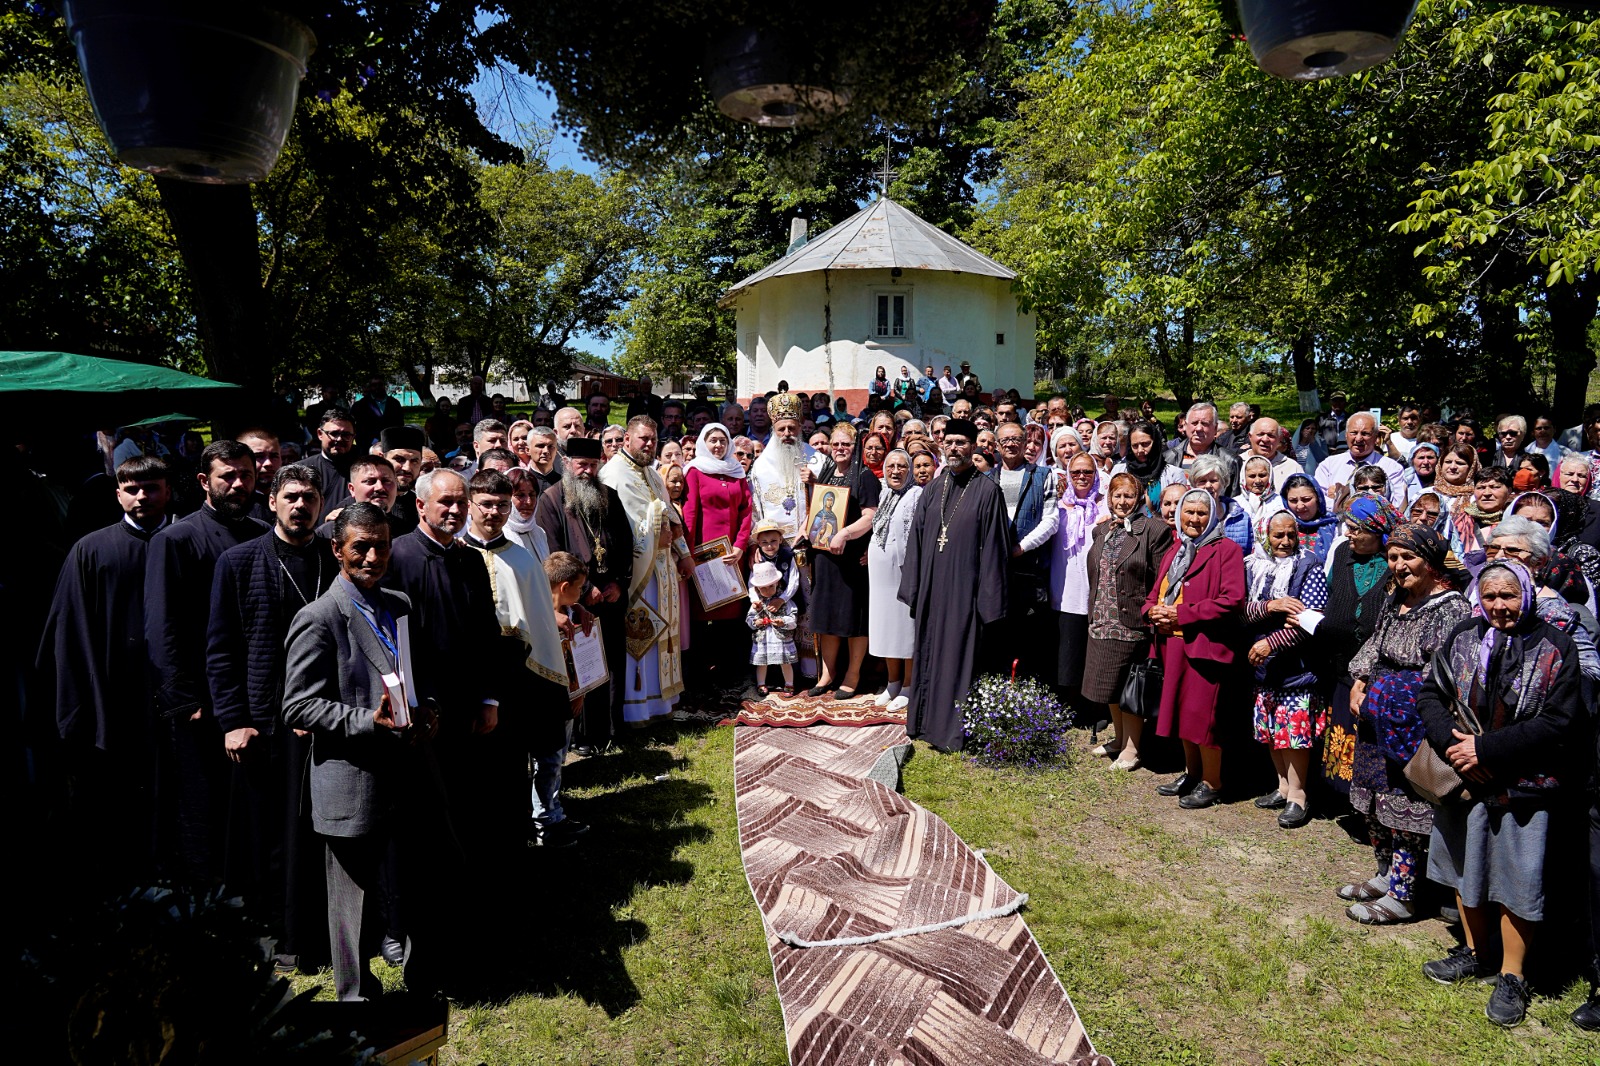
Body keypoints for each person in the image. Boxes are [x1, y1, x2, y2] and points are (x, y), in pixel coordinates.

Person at [281, 502, 439, 1002]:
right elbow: (298, 706)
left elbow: (414, 675)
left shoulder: (398, 604)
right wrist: (365, 721)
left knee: (414, 878)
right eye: (360, 547)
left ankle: (421, 974)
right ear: (337, 550)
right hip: (350, 776)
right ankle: (354, 994)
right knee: (350, 897)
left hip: (406, 770)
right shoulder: (319, 617)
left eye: (382, 546)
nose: (373, 556)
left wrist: (427, 707)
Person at [1416, 560, 1583, 1027]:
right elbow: (1430, 694)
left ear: (1527, 594)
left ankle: (1512, 974)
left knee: (1518, 878)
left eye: (1508, 595)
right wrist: (1453, 746)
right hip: (1464, 778)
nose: (1499, 605)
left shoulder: (1555, 646)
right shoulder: (1464, 635)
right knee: (1466, 865)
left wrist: (1486, 748)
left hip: (1523, 785)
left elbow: (1559, 722)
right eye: (1490, 596)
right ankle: (1474, 951)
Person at [205, 463, 334, 972]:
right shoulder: (238, 562)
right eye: (292, 497)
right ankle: (270, 936)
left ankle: (317, 933)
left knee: (315, 832)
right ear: (273, 501)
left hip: (326, 717)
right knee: (266, 838)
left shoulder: (334, 558)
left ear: (321, 505)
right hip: (263, 722)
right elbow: (220, 648)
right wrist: (233, 719)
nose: (301, 505)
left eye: (310, 497)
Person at [35, 456, 174, 880]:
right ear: (118, 494)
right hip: (114, 696)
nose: (142, 497)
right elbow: (69, 633)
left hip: (179, 700)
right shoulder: (91, 550)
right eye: (132, 489)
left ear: (168, 491)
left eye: (151, 488)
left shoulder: (186, 541)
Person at [146, 440, 270, 882]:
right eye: (228, 476)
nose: (239, 484)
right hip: (200, 698)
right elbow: (163, 627)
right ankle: (208, 891)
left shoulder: (262, 534)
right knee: (203, 800)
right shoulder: (174, 540)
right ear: (204, 481)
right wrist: (184, 699)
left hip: (255, 692)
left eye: (247, 475)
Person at [1335, 520, 1469, 924]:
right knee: (1373, 799)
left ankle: (1406, 894)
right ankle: (1384, 875)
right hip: (1376, 716)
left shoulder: (1451, 608)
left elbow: (1447, 672)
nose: (1398, 564)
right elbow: (1376, 642)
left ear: (1429, 561)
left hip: (1411, 725)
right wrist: (1360, 681)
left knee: (1403, 806)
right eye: (1393, 556)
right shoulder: (1398, 599)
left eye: (1408, 556)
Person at [381, 469, 501, 860]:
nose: (455, 510)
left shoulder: (470, 560)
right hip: (419, 706)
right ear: (420, 505)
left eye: (460, 503)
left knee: (465, 793)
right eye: (445, 502)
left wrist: (489, 698)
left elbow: (487, 633)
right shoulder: (396, 556)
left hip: (465, 702)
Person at [460, 470, 574, 848]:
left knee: (512, 762)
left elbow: (540, 628)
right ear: (471, 505)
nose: (494, 512)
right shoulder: (455, 556)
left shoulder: (524, 561)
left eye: (502, 505)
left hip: (517, 677)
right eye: (486, 504)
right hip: (469, 673)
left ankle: (519, 831)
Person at [898, 419, 1011, 750]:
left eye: (962, 442)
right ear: (942, 445)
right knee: (929, 653)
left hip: (965, 592)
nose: (955, 447)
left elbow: (995, 549)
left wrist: (988, 602)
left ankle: (951, 732)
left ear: (974, 446)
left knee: (957, 658)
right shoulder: (934, 487)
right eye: (950, 442)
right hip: (934, 590)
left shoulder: (988, 491)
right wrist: (915, 587)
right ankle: (921, 723)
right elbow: (916, 540)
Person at [1144, 489, 1246, 809]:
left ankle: (1213, 783)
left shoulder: (1226, 550)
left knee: (1203, 718)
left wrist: (1181, 614)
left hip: (1205, 646)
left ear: (1213, 516)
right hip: (1172, 644)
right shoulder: (1176, 548)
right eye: (1189, 512)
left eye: (1202, 513)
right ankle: (1192, 773)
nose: (1194, 518)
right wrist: (1151, 611)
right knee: (1181, 715)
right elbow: (1156, 592)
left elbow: (1232, 600)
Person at [534, 436, 632, 753]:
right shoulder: (550, 500)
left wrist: (619, 582)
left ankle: (613, 731)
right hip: (574, 599)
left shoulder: (610, 497)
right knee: (580, 667)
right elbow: (551, 551)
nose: (587, 471)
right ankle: (583, 737)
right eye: (581, 464)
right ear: (567, 464)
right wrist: (582, 590)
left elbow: (625, 544)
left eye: (592, 465)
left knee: (613, 664)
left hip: (611, 598)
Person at [600, 416, 692, 722]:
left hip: (663, 568)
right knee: (640, 635)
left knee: (663, 633)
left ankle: (661, 702)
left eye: (653, 439)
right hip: (637, 572)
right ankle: (636, 707)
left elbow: (671, 520)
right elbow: (617, 529)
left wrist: (685, 554)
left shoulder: (653, 474)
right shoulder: (614, 473)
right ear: (627, 439)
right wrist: (656, 534)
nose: (649, 444)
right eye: (643, 439)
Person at [1083, 472, 1174, 771]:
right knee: (1110, 685)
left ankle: (1132, 749)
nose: (1122, 501)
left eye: (1128, 496)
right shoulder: (1101, 531)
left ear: (1139, 499)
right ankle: (1119, 739)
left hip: (1131, 622)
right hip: (1102, 617)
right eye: (1117, 495)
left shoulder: (1153, 529)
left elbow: (1162, 578)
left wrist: (1154, 613)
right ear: (1109, 497)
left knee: (1129, 687)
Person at [1243, 512, 1329, 828]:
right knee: (1272, 731)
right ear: (1265, 534)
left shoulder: (1310, 566)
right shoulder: (1253, 566)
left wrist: (1271, 642)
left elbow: (1311, 619)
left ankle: (1299, 796)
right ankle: (1282, 787)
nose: (1285, 542)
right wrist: (1270, 606)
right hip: (1265, 667)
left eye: (1291, 534)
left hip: (1296, 668)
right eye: (1278, 535)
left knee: (1293, 736)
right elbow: (1240, 613)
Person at [803, 424, 881, 699]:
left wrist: (844, 534)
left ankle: (853, 674)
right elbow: (819, 510)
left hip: (852, 559)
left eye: (845, 445)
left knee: (853, 618)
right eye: (835, 444)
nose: (839, 449)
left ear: (855, 445)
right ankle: (828, 673)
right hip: (826, 558)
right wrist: (806, 528)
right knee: (826, 616)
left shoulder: (865, 476)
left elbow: (871, 516)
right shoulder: (827, 473)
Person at [681, 422, 753, 694]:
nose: (718, 445)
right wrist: (686, 555)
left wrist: (740, 546)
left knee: (729, 620)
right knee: (700, 620)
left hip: (730, 558)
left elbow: (747, 511)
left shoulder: (737, 472)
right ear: (703, 443)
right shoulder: (695, 471)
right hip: (702, 558)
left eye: (723, 441)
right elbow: (689, 514)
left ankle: (727, 673)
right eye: (712, 440)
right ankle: (699, 677)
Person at [1047, 447, 1106, 711]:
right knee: (1067, 648)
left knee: (1091, 650)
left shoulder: (1105, 506)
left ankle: (1090, 703)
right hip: (1065, 586)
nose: (1082, 476)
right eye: (1076, 472)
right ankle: (1067, 702)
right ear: (1068, 475)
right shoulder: (1058, 507)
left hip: (1095, 588)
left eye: (1088, 471)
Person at [868, 449, 923, 711]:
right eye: (891, 466)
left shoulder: (916, 494)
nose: (896, 471)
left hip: (903, 572)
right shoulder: (884, 492)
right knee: (887, 627)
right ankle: (893, 682)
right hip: (880, 575)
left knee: (905, 629)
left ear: (909, 470)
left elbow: (913, 535)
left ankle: (909, 686)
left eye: (902, 466)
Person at [1315, 412, 1406, 510]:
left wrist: (1341, 499)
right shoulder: (1328, 465)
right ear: (1346, 435)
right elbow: (1318, 500)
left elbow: (1396, 505)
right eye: (1353, 433)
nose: (1358, 439)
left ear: (1375, 437)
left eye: (1365, 434)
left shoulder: (1392, 468)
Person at [745, 560, 798, 695]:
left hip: (781, 639)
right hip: (763, 639)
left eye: (770, 587)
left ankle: (789, 683)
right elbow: (749, 619)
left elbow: (793, 619)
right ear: (757, 588)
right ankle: (761, 683)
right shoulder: (757, 604)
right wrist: (756, 622)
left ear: (777, 583)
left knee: (785, 662)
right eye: (763, 588)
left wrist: (783, 622)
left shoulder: (785, 601)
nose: (767, 591)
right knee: (762, 663)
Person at [1164, 403, 1240, 495]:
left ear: (1215, 428)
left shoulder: (1230, 461)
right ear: (1186, 426)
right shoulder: (1168, 458)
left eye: (1204, 423)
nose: (1199, 428)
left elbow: (1234, 500)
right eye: (1194, 423)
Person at [1113, 419, 1186, 513]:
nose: (1140, 450)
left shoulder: (1174, 474)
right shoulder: (1118, 471)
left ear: (1155, 442)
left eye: (1145, 444)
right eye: (1135, 446)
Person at [1189, 453, 1253, 553]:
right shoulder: (1188, 517)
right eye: (1202, 481)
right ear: (1194, 483)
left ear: (1223, 482)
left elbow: (1248, 553)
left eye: (1213, 480)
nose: (1208, 485)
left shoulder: (1241, 517)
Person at [306, 408, 358, 520]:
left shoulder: (365, 471)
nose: (339, 439)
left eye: (346, 435)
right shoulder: (301, 470)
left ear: (353, 437)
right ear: (320, 434)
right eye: (334, 433)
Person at [1280, 473, 1339, 564]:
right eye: (1293, 501)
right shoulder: (1280, 525)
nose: (1300, 506)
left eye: (1306, 499)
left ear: (1318, 498)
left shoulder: (1335, 527)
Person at [1236, 454, 1286, 546]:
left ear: (1270, 476)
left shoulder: (1280, 503)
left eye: (1262, 475)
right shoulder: (1235, 504)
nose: (1258, 480)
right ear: (1244, 477)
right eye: (1252, 476)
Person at [354, 376, 403, 449]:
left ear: (384, 386)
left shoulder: (394, 403)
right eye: (374, 385)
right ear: (370, 387)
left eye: (380, 384)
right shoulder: (360, 405)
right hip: (368, 446)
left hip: (391, 443)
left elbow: (400, 424)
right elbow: (357, 427)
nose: (377, 387)